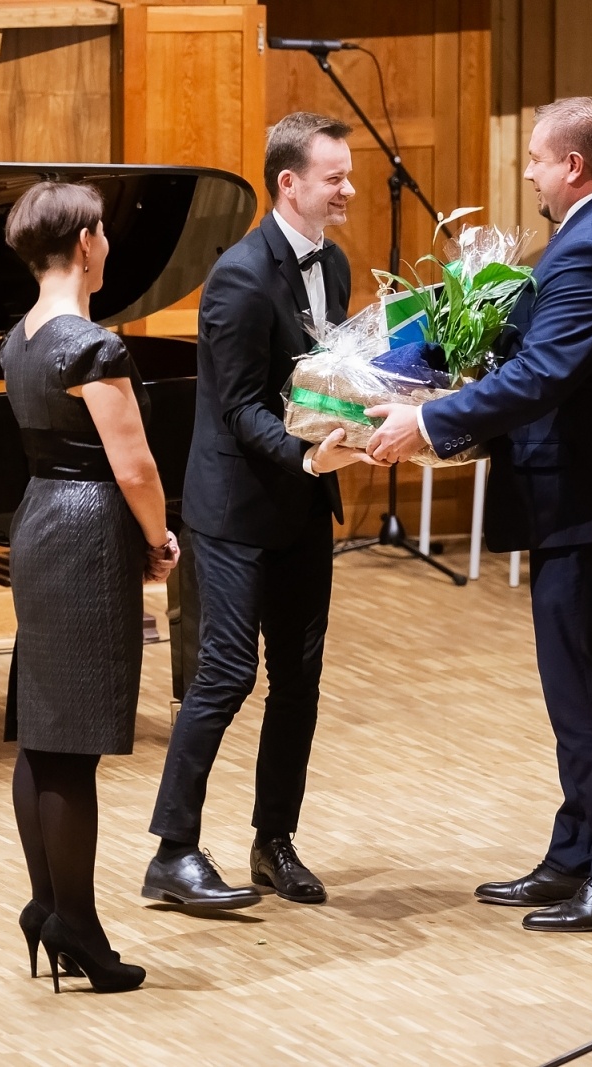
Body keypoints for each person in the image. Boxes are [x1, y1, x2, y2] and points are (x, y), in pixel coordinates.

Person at [366, 98, 592, 932]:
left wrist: (430, 422)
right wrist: (410, 355)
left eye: (537, 161)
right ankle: (581, 849)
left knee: (587, 686)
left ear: (573, 167)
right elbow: (525, 338)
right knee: (576, 684)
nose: (529, 175)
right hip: (585, 491)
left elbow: (543, 374)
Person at [143, 112, 377, 910]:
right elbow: (239, 407)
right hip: (238, 506)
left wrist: (367, 420)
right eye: (334, 176)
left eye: (348, 174)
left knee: (300, 678)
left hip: (303, 503)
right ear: (290, 182)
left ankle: (274, 840)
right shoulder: (240, 276)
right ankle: (173, 850)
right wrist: (309, 454)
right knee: (226, 673)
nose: (348, 188)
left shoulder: (335, 266)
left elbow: (324, 382)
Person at [1, 181, 179, 992]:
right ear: (83, 243)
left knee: (44, 735)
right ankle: (77, 922)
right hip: (86, 533)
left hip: (40, 522)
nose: (108, 244)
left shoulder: (19, 338)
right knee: (71, 750)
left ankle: (48, 905)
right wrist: (158, 537)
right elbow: (134, 464)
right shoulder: (91, 345)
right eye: (103, 232)